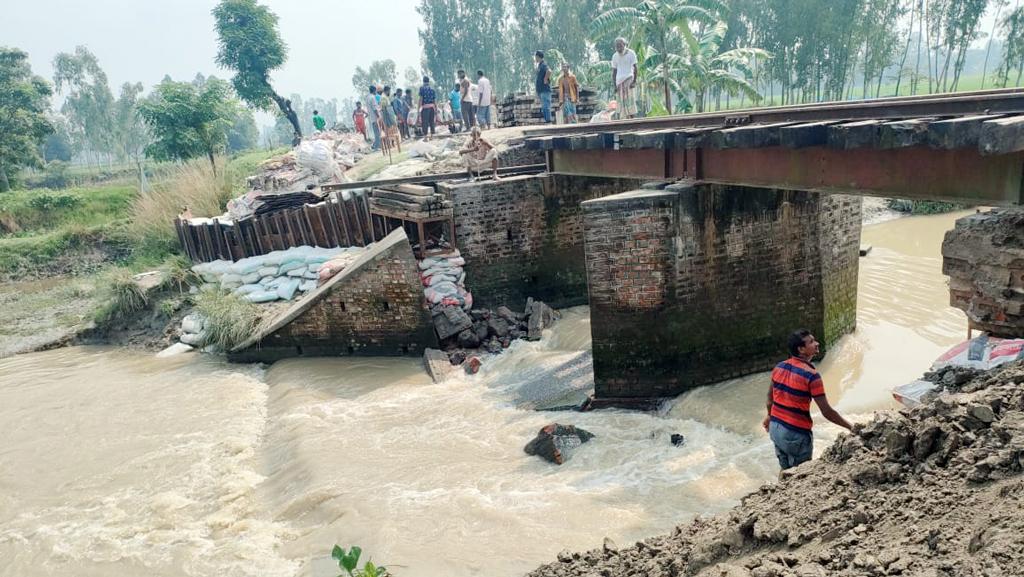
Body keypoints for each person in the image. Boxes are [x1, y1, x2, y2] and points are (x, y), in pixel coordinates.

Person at [763, 330, 853, 471]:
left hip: (776, 428)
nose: (817, 343)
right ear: (801, 349)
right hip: (795, 434)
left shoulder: (779, 367)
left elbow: (770, 399)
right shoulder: (811, 375)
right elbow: (827, 411)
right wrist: (850, 427)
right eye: (811, 342)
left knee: (785, 469)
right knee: (799, 474)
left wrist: (769, 416)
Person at [611, 38, 639, 119]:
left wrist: (634, 81)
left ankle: (633, 121)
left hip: (629, 79)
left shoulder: (631, 53)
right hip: (619, 82)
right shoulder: (615, 56)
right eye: (617, 47)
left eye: (620, 46)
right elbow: (614, 71)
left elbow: (635, 67)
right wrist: (614, 85)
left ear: (624, 45)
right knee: (622, 104)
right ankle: (625, 122)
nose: (619, 49)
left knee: (630, 102)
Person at [534, 50, 552, 123]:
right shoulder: (540, 65)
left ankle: (548, 121)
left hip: (545, 90)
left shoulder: (543, 64)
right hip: (541, 90)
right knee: (544, 107)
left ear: (538, 57)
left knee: (546, 106)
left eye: (535, 56)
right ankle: (547, 120)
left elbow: (549, 71)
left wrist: (545, 79)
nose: (535, 58)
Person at [418, 76, 437, 141]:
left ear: (423, 81)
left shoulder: (422, 88)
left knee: (425, 122)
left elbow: (421, 99)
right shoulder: (432, 90)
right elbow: (434, 101)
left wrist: (419, 109)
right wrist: (436, 109)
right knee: (432, 122)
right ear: (428, 81)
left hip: (425, 108)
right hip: (432, 107)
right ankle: (432, 136)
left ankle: (425, 137)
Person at [366, 85, 382, 150]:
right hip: (375, 118)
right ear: (374, 90)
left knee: (376, 132)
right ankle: (376, 147)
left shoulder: (367, 97)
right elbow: (375, 109)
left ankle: (375, 145)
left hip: (371, 118)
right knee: (377, 133)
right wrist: (378, 116)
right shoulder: (373, 98)